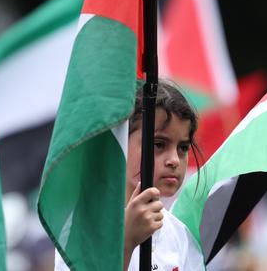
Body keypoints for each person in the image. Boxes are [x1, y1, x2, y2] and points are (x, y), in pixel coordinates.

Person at [55, 81, 204, 271]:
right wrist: (126, 242)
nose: (174, 160)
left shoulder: (180, 234)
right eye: (158, 144)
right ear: (121, 143)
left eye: (182, 147)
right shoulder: (81, 228)